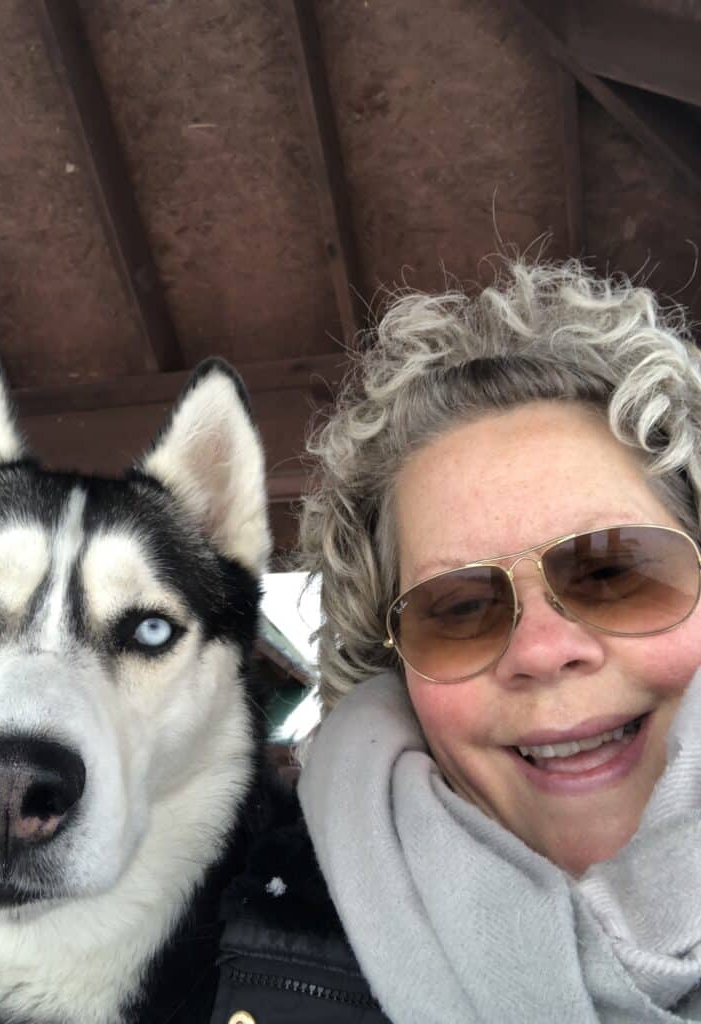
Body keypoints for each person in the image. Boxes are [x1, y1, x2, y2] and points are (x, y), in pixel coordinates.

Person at [288, 259, 701, 1023]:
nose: (544, 652)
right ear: (393, 670)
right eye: (457, 608)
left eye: (615, 571)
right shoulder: (244, 943)